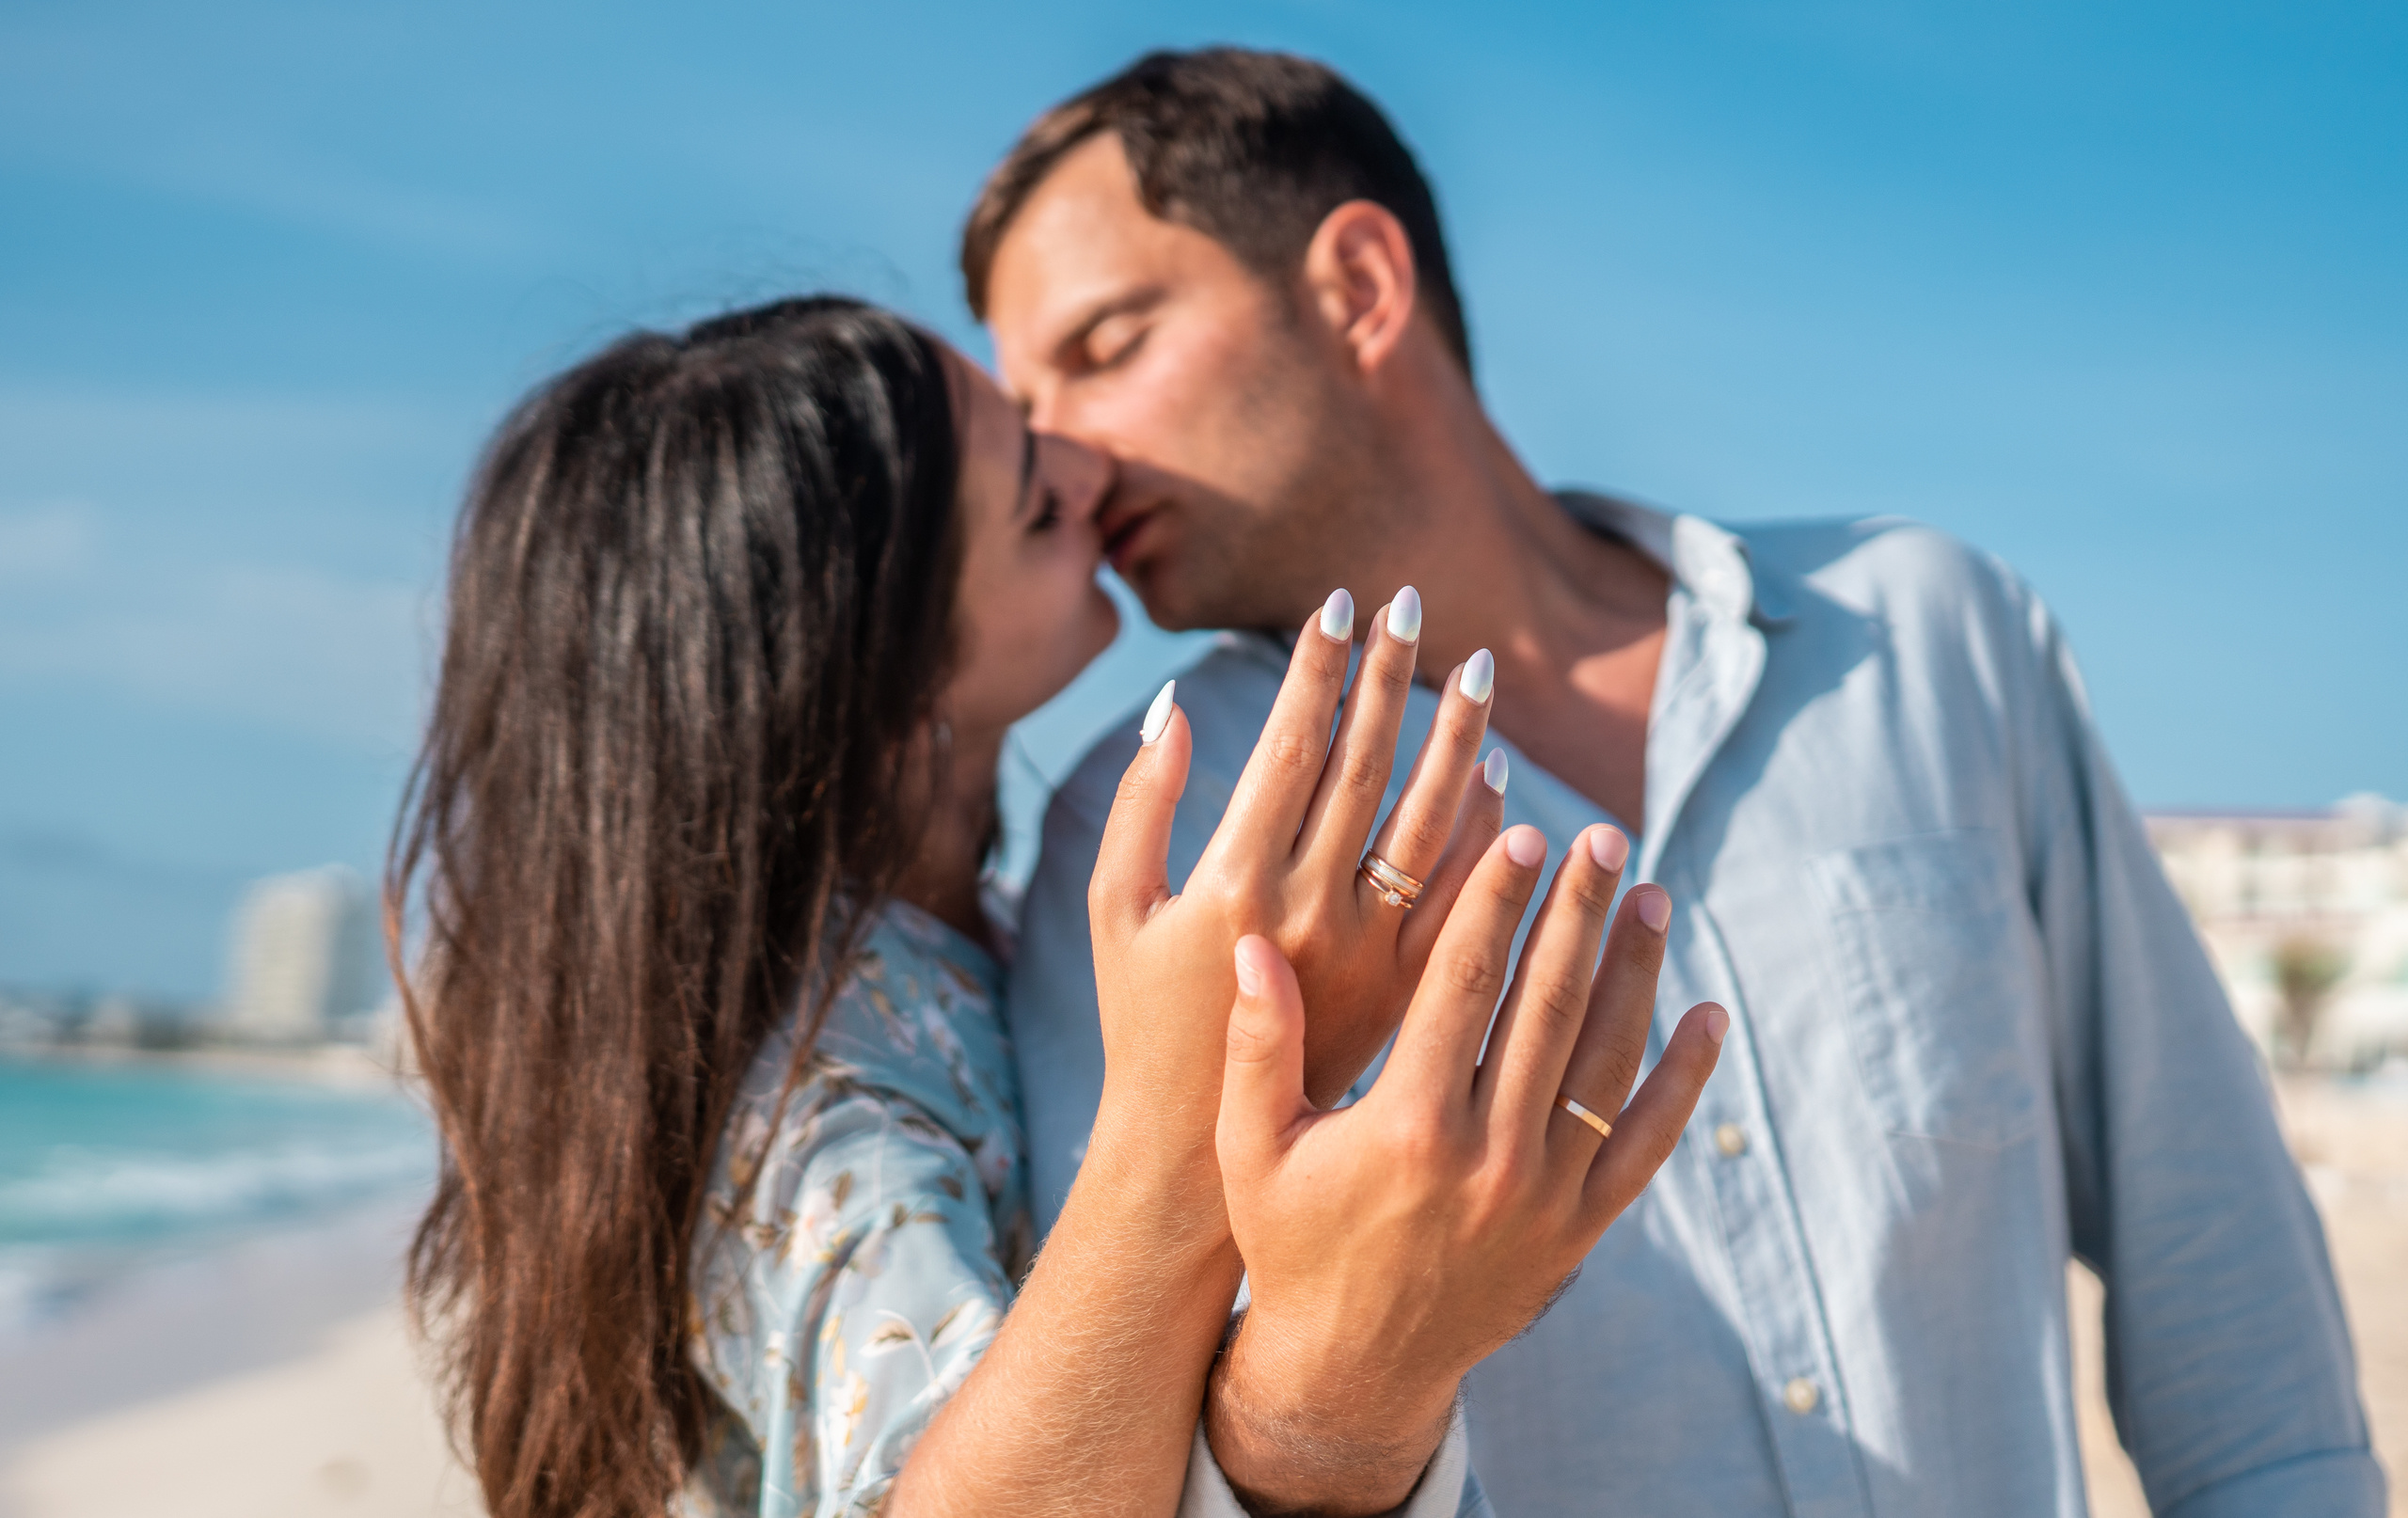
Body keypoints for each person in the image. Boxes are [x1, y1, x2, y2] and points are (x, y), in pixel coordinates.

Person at [973, 47, 2388, 1517]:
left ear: (1357, 288)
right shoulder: (1149, 838)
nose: (1063, 459)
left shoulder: (1923, 635)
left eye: (1106, 345)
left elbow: (2218, 1268)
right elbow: (1154, 1444)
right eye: (1023, 406)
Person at [390, 294, 1723, 1518]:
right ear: (872, 658)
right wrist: (1200, 1108)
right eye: (1034, 492)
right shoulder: (805, 1083)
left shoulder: (958, 947)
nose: (1090, 472)